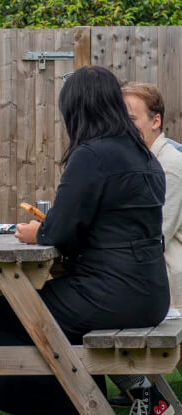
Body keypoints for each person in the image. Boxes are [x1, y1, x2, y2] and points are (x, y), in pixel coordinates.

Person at [0, 66, 171, 415]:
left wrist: (35, 234)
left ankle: (67, 405)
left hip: (111, 294)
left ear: (77, 109)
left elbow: (58, 232)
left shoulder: (92, 155)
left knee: (5, 316)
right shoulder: (143, 155)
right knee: (49, 319)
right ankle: (90, 398)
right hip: (151, 294)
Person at [106, 82, 182, 415]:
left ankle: (146, 393)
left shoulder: (169, 166)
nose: (124, 126)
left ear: (155, 121)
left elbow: (156, 235)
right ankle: (142, 389)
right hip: (151, 266)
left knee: (93, 307)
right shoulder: (141, 159)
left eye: (131, 118)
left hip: (169, 272)